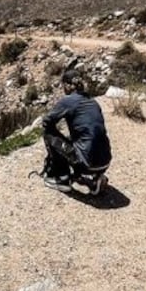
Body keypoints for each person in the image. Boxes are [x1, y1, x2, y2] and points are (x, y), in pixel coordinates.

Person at [40, 66, 111, 195]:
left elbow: (47, 122)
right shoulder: (92, 101)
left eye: (63, 85)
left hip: (86, 163)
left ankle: (62, 178)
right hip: (105, 161)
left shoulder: (68, 101)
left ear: (67, 85)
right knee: (84, 138)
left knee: (49, 134)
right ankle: (96, 178)